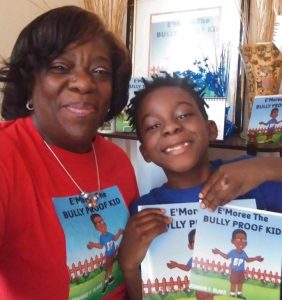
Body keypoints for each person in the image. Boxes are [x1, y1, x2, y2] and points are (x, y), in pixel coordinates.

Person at [0, 6, 139, 300]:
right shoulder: (7, 156)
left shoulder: (117, 162)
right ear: (29, 81)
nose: (84, 83)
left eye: (100, 72)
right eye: (61, 68)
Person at [118, 73, 282, 300]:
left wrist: (267, 168)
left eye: (183, 115)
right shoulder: (145, 211)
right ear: (144, 151)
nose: (171, 128)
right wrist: (127, 266)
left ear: (210, 129)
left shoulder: (253, 179)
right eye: (154, 125)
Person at [212, 229, 264, 299]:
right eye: (239, 239)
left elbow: (247, 260)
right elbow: (227, 257)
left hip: (241, 272)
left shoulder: (243, 253)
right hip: (234, 271)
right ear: (232, 241)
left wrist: (255, 258)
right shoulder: (233, 252)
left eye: (244, 240)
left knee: (240, 283)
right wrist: (219, 252)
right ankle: (232, 294)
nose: (241, 242)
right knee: (233, 283)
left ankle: (239, 294)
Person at [167, 229, 214, 300]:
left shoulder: (209, 256)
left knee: (210, 297)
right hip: (199, 283)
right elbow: (187, 267)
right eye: (195, 242)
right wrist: (177, 265)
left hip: (209, 282)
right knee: (200, 296)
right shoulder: (194, 259)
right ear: (190, 246)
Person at [87, 213, 124, 293]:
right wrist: (93, 245)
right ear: (96, 227)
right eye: (98, 223)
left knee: (110, 266)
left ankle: (110, 278)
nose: (101, 224)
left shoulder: (109, 234)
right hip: (109, 255)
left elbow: (115, 238)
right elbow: (100, 246)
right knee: (107, 268)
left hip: (113, 253)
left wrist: (119, 233)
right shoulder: (101, 237)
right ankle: (106, 282)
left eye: (102, 221)